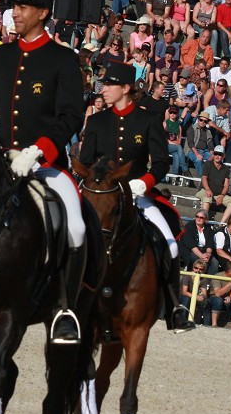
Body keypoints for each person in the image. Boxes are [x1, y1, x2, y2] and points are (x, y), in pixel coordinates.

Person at [0, 0, 86, 344]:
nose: (14, 13)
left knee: (74, 226)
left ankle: (65, 308)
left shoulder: (62, 59)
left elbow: (71, 115)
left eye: (23, 7)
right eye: (13, 6)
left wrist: (38, 149)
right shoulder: (0, 55)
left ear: (43, 12)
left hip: (44, 163)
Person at [80, 61, 188, 330]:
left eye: (109, 84)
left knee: (170, 245)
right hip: (102, 198)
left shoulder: (148, 120)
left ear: (126, 88)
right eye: (103, 84)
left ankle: (174, 307)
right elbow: (85, 162)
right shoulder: (96, 121)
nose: (103, 89)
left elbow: (162, 162)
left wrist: (145, 182)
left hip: (137, 195)